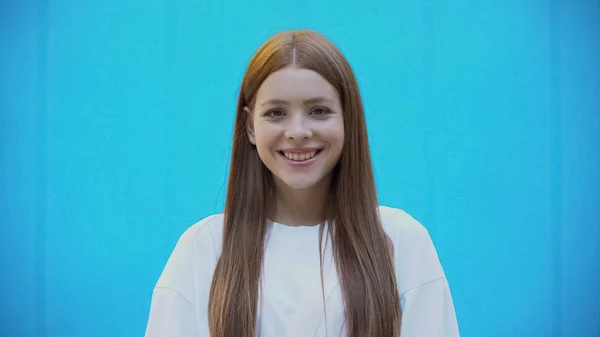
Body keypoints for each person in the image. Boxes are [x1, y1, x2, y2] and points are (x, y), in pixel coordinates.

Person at [144, 29, 459, 337]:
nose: (297, 131)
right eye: (276, 112)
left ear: (348, 119)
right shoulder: (203, 249)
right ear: (250, 127)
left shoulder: (401, 241)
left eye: (318, 111)